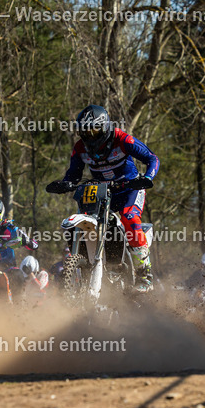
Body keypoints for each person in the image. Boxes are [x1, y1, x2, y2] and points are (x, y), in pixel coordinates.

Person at [46, 104, 160, 292]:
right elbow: (74, 173)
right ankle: (90, 267)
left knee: (130, 218)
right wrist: (65, 184)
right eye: (85, 131)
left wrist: (147, 177)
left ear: (105, 126)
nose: (89, 135)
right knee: (85, 220)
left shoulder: (123, 140)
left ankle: (144, 275)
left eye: (94, 130)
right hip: (102, 192)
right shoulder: (80, 148)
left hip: (130, 189)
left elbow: (152, 158)